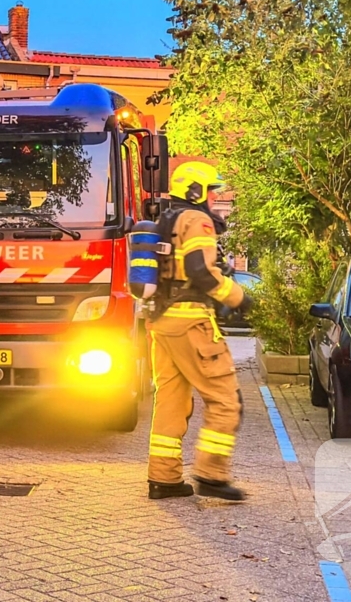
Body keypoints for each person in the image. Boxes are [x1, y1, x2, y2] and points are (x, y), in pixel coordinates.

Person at [146, 162, 252, 502]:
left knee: (170, 403)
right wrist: (239, 297)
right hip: (192, 322)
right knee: (226, 400)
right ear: (195, 191)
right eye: (210, 190)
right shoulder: (197, 220)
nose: (214, 197)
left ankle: (164, 479)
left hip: (162, 323)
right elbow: (201, 272)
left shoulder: (165, 220)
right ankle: (211, 474)